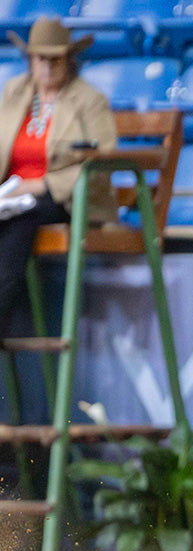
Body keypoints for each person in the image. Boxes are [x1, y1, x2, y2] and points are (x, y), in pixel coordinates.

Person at [0, 17, 116, 332]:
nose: (48, 66)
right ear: (30, 60)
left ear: (69, 59)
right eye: (42, 58)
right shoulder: (14, 93)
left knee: (20, 218)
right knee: (13, 215)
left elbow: (101, 164)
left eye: (56, 59)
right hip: (9, 194)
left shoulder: (89, 101)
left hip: (62, 198)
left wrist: (39, 185)